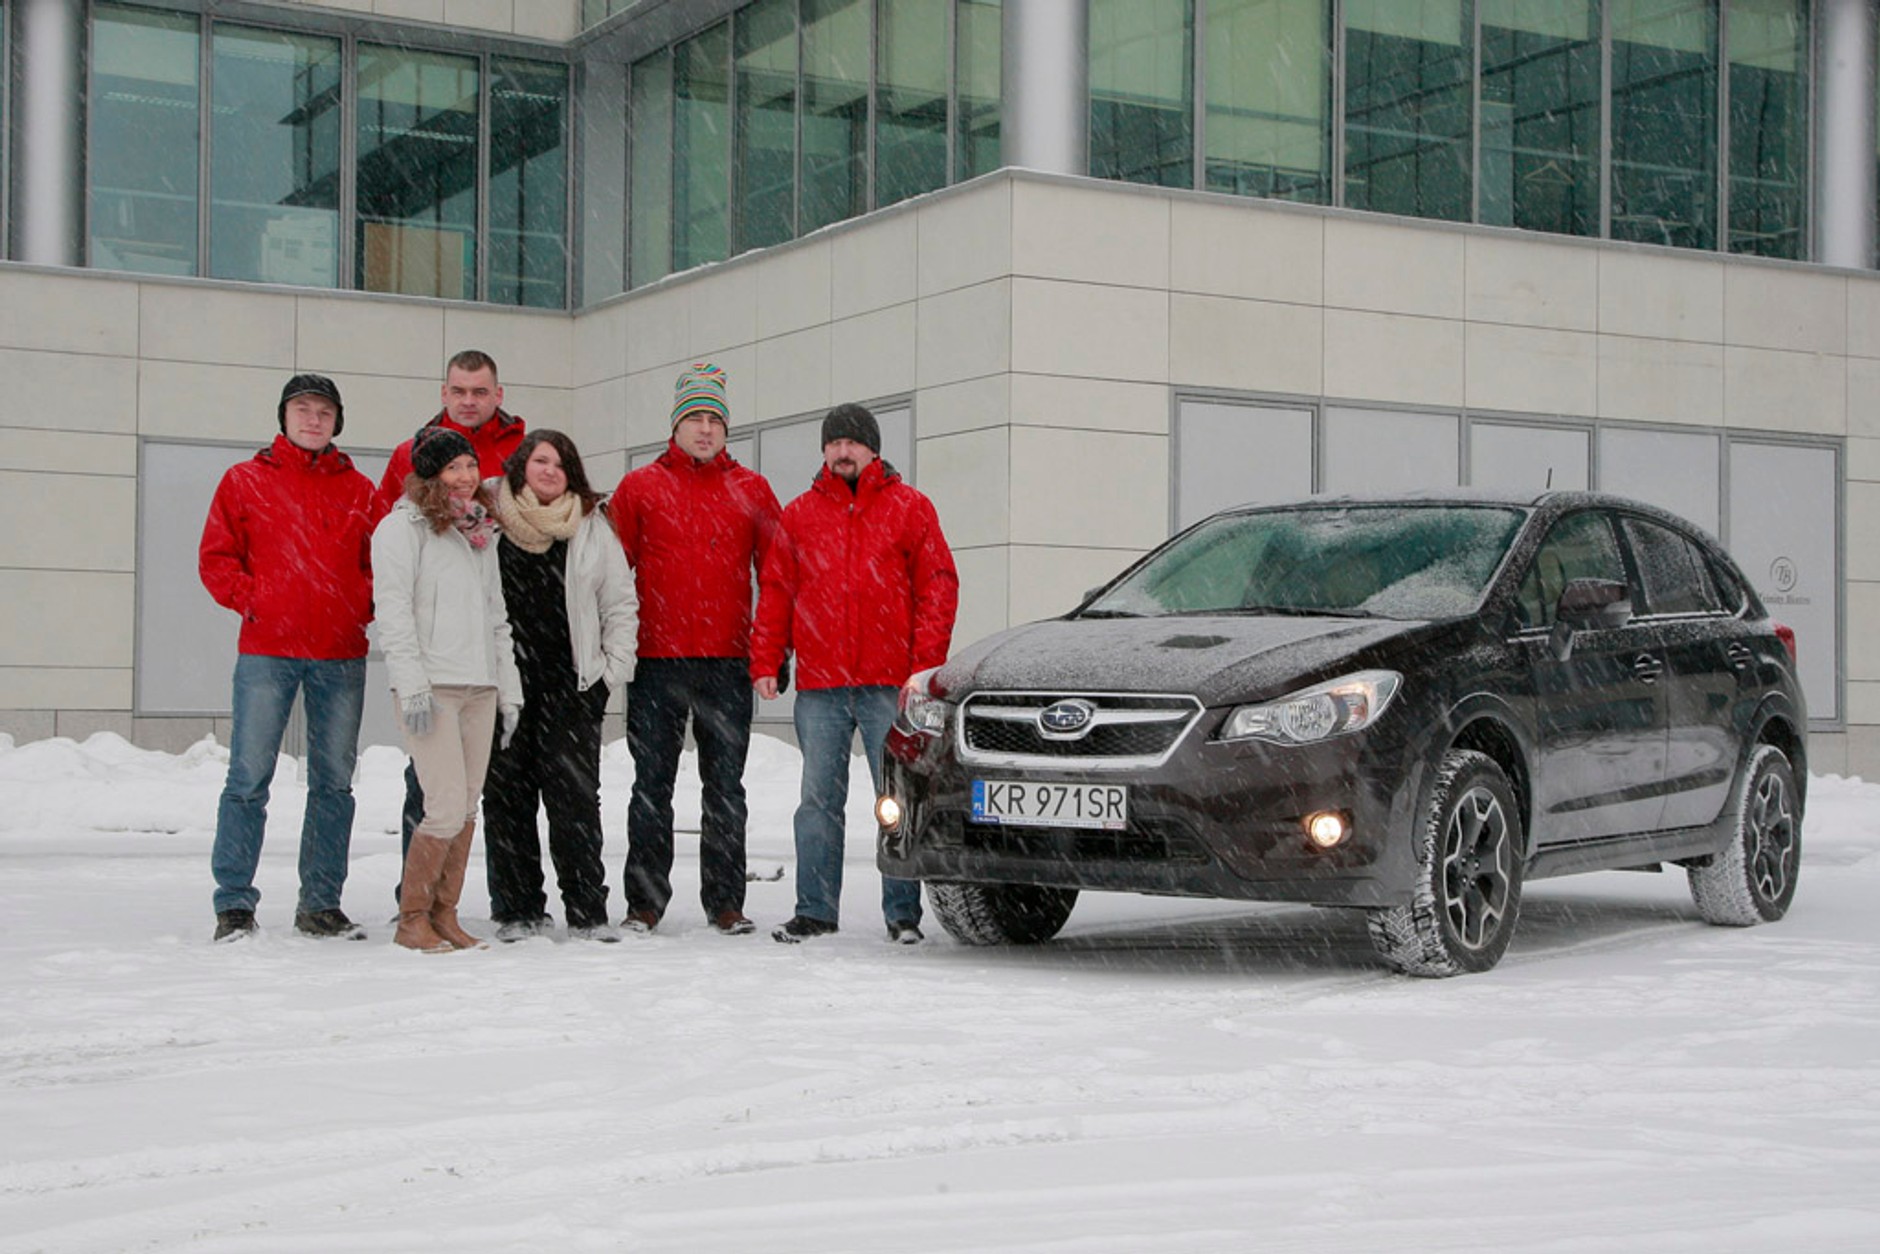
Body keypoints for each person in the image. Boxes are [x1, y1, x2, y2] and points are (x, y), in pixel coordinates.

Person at [752, 403, 959, 944]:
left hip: (889, 686)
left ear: (873, 449)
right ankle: (815, 909)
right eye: (834, 443)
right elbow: (776, 591)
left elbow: (938, 586)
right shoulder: (798, 515)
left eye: (853, 443)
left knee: (894, 796)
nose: (843, 451)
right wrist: (767, 657)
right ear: (824, 451)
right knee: (818, 801)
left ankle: (902, 914)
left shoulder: (910, 509)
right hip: (821, 687)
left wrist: (924, 667)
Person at [199, 374, 376, 942]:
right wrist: (256, 602)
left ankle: (321, 902)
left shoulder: (359, 490)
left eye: (324, 411)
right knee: (248, 778)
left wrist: (358, 606)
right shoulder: (245, 481)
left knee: (334, 783)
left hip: (340, 653)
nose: (313, 419)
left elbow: (384, 565)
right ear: (284, 416)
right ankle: (234, 903)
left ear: (337, 422)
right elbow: (217, 557)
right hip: (267, 652)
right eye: (302, 409)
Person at [610, 362, 782, 936]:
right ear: (676, 426)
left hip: (726, 664)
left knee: (725, 789)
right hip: (655, 663)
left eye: (715, 419)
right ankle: (645, 903)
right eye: (694, 418)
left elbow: (778, 577)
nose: (705, 429)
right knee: (651, 787)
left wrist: (770, 652)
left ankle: (726, 902)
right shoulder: (641, 488)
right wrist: (611, 650)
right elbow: (610, 573)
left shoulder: (752, 490)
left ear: (726, 430)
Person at [375, 350, 526, 897]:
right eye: (459, 390)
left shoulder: (482, 525)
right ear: (445, 393)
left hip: (482, 671)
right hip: (434, 673)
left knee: (468, 801)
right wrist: (410, 678)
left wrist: (506, 683)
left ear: (497, 394)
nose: (469, 400)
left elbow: (496, 613)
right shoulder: (404, 517)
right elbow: (393, 598)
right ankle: (413, 908)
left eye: (479, 391)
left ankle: (448, 910)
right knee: (434, 798)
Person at [483, 431, 639, 942]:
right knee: (508, 799)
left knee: (574, 801)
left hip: (571, 687)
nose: (550, 470)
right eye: (540, 460)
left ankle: (588, 911)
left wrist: (609, 674)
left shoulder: (592, 528)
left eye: (560, 463)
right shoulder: (490, 521)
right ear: (522, 466)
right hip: (505, 685)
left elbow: (620, 604)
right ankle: (517, 909)